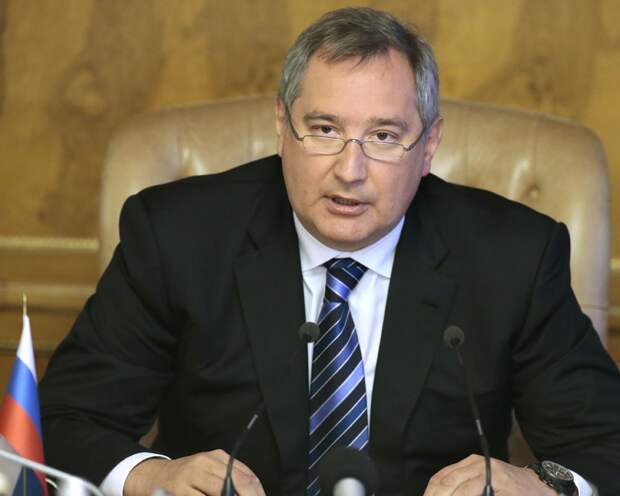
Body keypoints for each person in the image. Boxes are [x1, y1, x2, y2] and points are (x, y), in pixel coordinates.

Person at [39, 7, 620, 496]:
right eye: (324, 130)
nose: (350, 170)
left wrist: (547, 486)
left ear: (429, 145)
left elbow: (606, 442)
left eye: (384, 136)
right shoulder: (178, 236)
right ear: (282, 125)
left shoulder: (512, 257)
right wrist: (148, 476)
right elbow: (65, 417)